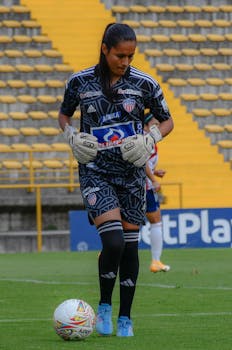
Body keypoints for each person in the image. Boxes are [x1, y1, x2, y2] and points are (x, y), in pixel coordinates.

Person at [58, 23, 174, 337]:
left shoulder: (144, 83)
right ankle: (105, 304)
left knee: (131, 249)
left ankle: (125, 317)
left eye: (130, 56)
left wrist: (149, 140)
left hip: (132, 176)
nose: (125, 62)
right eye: (119, 55)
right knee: (114, 241)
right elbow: (64, 115)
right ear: (105, 50)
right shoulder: (80, 82)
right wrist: (71, 137)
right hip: (96, 173)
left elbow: (167, 121)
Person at [144, 112, 170, 273]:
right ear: (145, 125)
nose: (158, 127)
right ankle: (156, 261)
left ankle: (106, 253)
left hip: (137, 185)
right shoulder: (147, 140)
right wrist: (153, 179)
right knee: (156, 220)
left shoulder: (145, 138)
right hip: (144, 187)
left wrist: (154, 172)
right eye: (154, 124)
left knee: (125, 222)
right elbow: (142, 161)